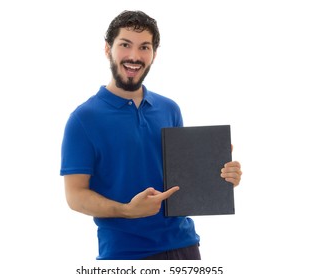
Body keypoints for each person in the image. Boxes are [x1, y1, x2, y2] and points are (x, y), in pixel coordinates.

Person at [60, 10, 242, 260]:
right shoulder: (83, 119)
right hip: (125, 255)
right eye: (125, 45)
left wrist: (219, 178)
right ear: (107, 49)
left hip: (185, 246)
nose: (134, 56)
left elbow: (180, 179)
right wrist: (126, 210)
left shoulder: (170, 109)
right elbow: (75, 195)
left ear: (154, 54)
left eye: (144, 47)